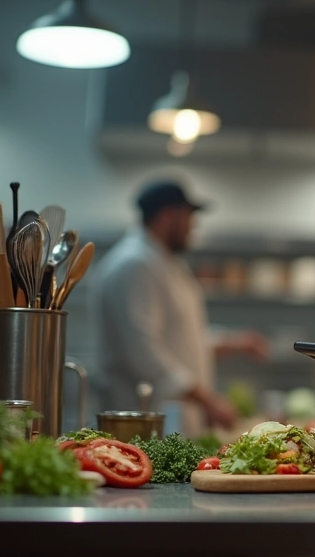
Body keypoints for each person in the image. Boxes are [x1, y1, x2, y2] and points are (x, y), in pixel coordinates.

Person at [92, 180, 269, 437]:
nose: (193, 227)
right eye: (189, 217)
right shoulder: (134, 265)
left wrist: (235, 343)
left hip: (169, 423)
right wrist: (208, 401)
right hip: (138, 423)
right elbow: (144, 353)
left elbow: (183, 340)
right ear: (167, 216)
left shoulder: (164, 264)